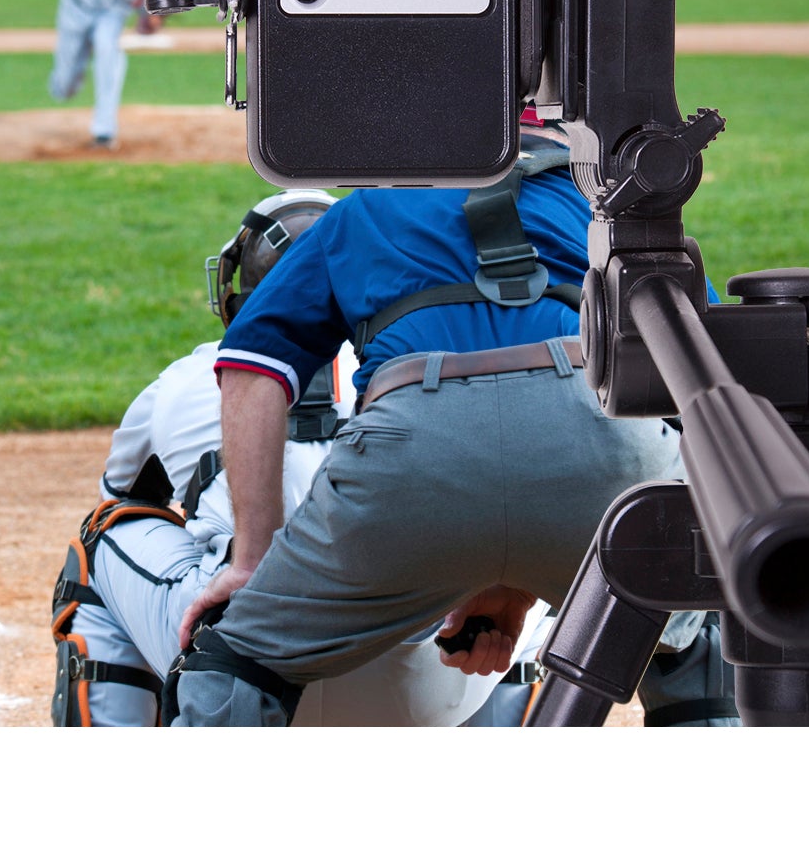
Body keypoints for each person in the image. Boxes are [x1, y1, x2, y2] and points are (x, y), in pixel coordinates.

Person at [167, 116, 738, 727]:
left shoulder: (362, 213)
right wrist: (534, 570)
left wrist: (251, 563)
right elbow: (707, 375)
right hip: (604, 455)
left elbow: (252, 367)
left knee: (238, 665)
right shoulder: (616, 214)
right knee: (693, 636)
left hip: (409, 466)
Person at [51, 190, 553, 727]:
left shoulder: (188, 378)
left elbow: (124, 492)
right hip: (436, 676)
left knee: (101, 535)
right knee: (524, 557)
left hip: (241, 673)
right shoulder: (427, 362)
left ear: (237, 293)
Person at [47, 0, 197, 148]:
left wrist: (152, 24)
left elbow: (144, 24)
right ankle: (71, 78)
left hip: (111, 13)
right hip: (76, 4)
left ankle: (104, 132)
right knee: (64, 87)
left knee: (109, 52)